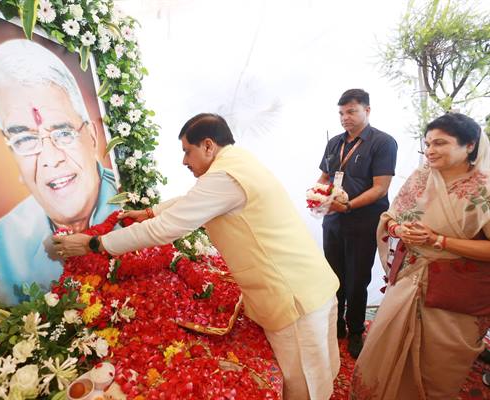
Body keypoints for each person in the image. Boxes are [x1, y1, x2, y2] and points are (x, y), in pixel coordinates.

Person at [54, 113, 341, 400]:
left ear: (207, 146)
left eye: (186, 151)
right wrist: (151, 212)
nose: (184, 161)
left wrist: (95, 244)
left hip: (293, 298)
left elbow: (166, 228)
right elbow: (193, 201)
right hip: (310, 283)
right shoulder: (238, 161)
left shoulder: (225, 177)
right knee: (322, 372)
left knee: (306, 385)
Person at [351, 113, 490, 399]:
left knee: (437, 362)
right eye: (427, 144)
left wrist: (438, 240)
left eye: (440, 143)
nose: (430, 150)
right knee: (384, 342)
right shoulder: (421, 176)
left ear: (470, 146)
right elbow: (390, 217)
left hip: (456, 290)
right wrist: (399, 229)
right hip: (408, 275)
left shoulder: (484, 190)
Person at [0, 39, 118, 304]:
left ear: (92, 137)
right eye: (25, 140)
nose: (50, 159)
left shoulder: (134, 209)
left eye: (63, 133)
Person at [316, 88, 398, 358]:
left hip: (363, 222)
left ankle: (355, 330)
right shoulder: (334, 142)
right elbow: (325, 178)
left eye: (351, 111)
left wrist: (349, 205)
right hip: (333, 221)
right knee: (332, 276)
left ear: (367, 110)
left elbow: (380, 188)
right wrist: (316, 196)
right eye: (341, 113)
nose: (345, 118)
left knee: (357, 279)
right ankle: (336, 323)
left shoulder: (383, 142)